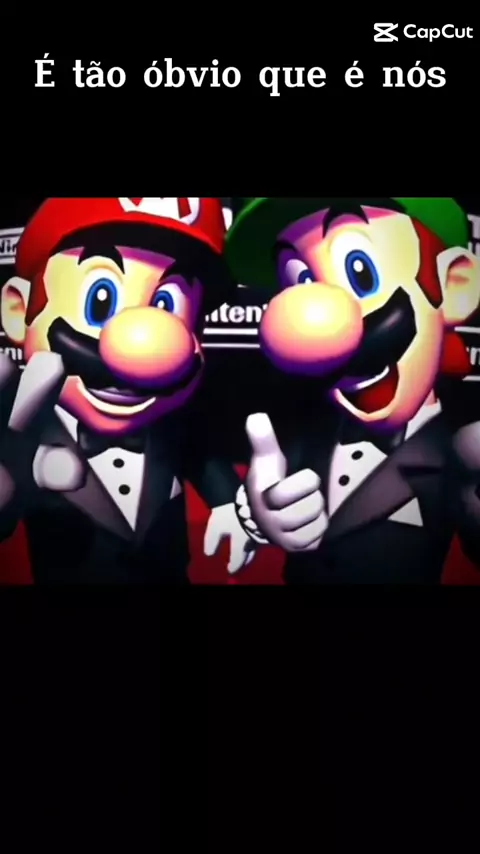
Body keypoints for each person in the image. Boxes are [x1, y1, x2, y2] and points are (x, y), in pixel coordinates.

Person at [225, 197, 480, 583]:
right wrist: (258, 514)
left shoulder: (457, 454)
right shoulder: (303, 434)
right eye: (302, 283)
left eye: (361, 273)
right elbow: (271, 491)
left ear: (453, 285)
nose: (323, 328)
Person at [0, 197, 253, 582]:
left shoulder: (174, 429)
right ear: (19, 313)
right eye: (100, 302)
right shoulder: (25, 438)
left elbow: (201, 459)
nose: (142, 349)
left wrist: (229, 504)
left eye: (168, 307)